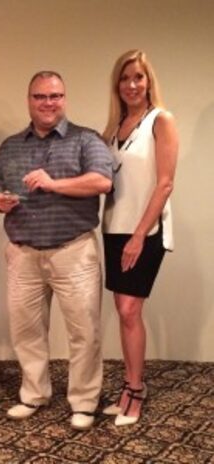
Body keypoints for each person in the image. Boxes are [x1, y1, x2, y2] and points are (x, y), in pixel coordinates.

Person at [0, 71, 113, 430]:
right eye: (40, 96)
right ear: (29, 100)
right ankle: (33, 393)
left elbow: (102, 181)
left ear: (64, 98)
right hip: (23, 252)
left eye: (55, 96)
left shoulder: (85, 139)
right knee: (26, 331)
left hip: (73, 251)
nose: (48, 103)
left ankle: (85, 401)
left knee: (84, 331)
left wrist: (53, 183)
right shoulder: (11, 146)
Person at [102, 50, 179, 426]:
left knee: (130, 310)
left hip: (144, 232)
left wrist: (138, 236)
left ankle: (135, 388)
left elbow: (164, 184)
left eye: (138, 77)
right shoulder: (113, 128)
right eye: (125, 78)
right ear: (116, 84)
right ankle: (131, 386)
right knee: (124, 312)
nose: (132, 85)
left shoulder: (160, 121)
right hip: (114, 229)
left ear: (149, 81)